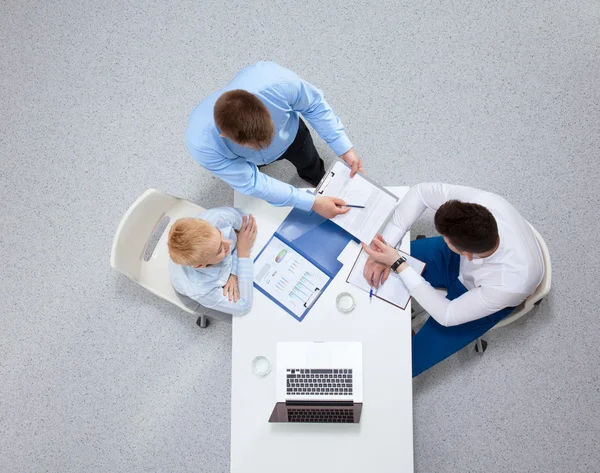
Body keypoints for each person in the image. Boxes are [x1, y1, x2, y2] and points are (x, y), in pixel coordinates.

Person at [362, 183, 544, 377]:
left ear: (467, 254)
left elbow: (448, 315)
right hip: (456, 260)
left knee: (406, 365)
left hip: (482, 297)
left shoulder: (510, 283)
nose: (443, 238)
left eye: (445, 239)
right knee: (367, 265)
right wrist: (385, 248)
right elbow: (420, 192)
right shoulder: (484, 205)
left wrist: (398, 263)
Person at [185, 61, 364, 219]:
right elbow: (253, 182)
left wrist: (344, 148)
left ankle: (316, 178)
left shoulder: (279, 83)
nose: (269, 146)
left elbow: (314, 105)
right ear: (225, 135)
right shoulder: (202, 146)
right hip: (246, 160)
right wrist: (311, 203)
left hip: (293, 136)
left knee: (309, 160)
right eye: (256, 145)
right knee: (258, 172)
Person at [168, 207, 257, 318]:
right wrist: (243, 252)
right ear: (200, 265)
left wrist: (233, 273)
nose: (228, 242)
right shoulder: (200, 290)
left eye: (220, 233)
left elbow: (248, 224)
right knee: (239, 319)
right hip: (198, 293)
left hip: (202, 261)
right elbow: (244, 307)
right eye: (220, 250)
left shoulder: (215, 218)